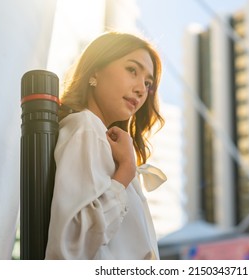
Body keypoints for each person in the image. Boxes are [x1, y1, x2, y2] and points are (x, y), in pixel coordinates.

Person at [45, 31, 167, 260]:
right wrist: (125, 172)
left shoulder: (101, 138)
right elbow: (72, 244)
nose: (142, 89)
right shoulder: (86, 127)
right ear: (95, 70)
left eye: (148, 82)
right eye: (132, 70)